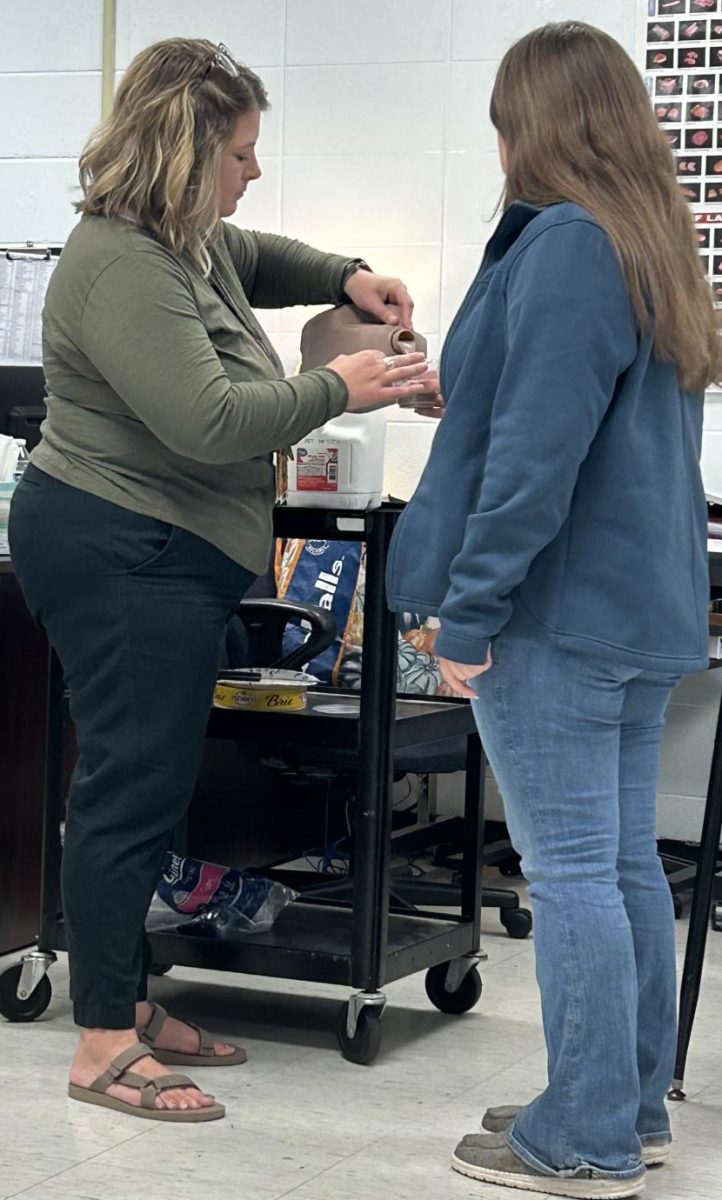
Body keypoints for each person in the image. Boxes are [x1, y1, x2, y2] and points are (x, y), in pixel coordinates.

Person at [9, 37, 436, 1123]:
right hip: (120, 549)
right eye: (239, 153)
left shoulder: (185, 241)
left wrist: (341, 274)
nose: (251, 171)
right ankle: (103, 1041)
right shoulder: (118, 264)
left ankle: (125, 999)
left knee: (151, 789)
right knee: (128, 789)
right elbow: (209, 421)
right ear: (185, 153)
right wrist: (335, 382)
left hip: (162, 553)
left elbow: (258, 252)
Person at [387, 21, 720, 1200]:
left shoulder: (566, 243)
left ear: (528, 126)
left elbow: (537, 458)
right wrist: (463, 394)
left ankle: (575, 1136)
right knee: (617, 861)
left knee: (571, 870)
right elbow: (565, 423)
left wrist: (466, 615)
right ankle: (621, 1107)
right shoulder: (644, 241)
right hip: (636, 612)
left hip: (559, 614)